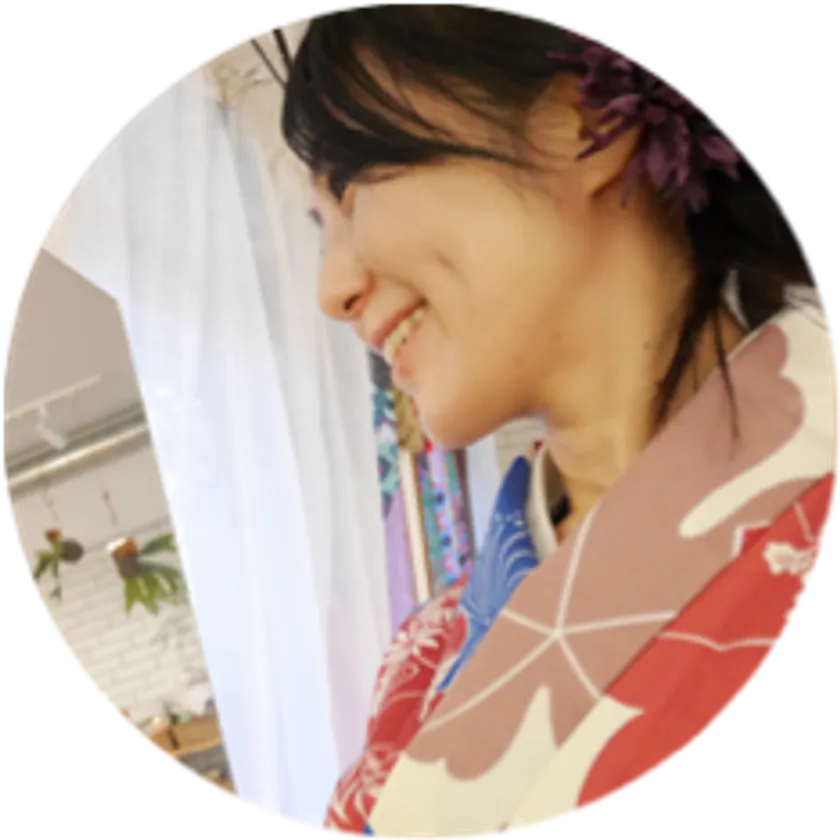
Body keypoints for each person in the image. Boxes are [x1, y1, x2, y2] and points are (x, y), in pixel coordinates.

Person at [280, 6, 837, 838]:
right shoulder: (422, 657)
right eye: (320, 228)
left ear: (583, 125)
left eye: (352, 186)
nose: (333, 290)